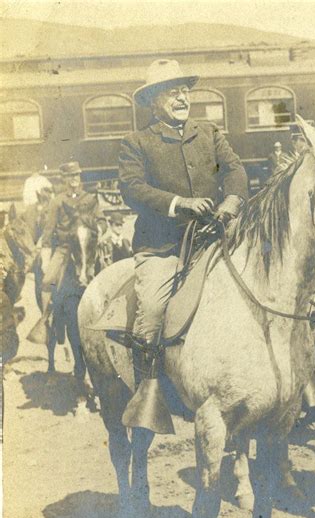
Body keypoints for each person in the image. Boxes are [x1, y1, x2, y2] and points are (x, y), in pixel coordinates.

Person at [118, 58, 248, 426]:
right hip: (162, 246)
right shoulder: (136, 142)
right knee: (155, 311)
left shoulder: (209, 133)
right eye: (171, 92)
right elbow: (133, 188)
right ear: (154, 101)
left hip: (212, 238)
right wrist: (179, 204)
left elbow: (235, 170)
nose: (181, 98)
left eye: (184, 90)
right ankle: (150, 393)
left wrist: (231, 202)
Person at [28, 161, 99, 342]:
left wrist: (97, 230)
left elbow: (102, 222)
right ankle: (46, 319)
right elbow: (48, 231)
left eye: (76, 175)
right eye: (70, 176)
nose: (74, 179)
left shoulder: (89, 199)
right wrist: (45, 258)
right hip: (63, 248)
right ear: (64, 179)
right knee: (47, 280)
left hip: (87, 247)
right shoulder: (57, 201)